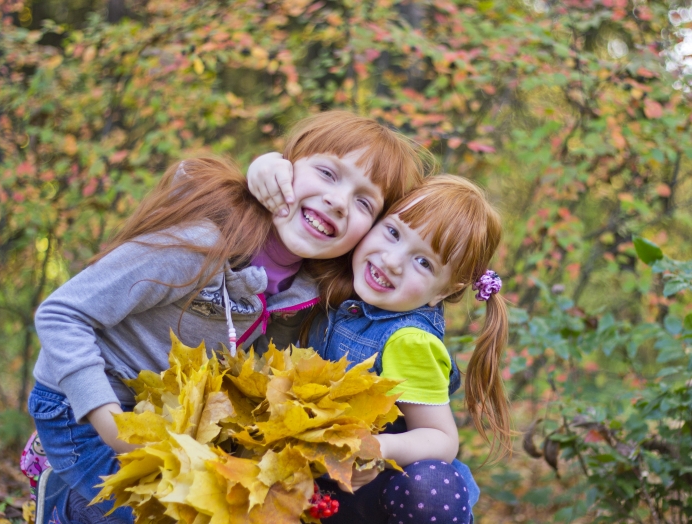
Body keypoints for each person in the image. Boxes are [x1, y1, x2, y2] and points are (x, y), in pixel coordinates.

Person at [26, 110, 429, 524]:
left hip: (170, 419)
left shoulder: (307, 288)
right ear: (283, 171)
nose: (338, 200)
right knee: (154, 516)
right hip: (83, 410)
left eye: (364, 201)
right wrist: (111, 424)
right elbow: (62, 314)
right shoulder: (203, 243)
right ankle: (63, 506)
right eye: (328, 173)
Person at [297, 175, 512, 524]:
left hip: (373, 495)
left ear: (445, 290)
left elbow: (441, 438)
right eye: (393, 233)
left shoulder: (408, 339)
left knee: (432, 484)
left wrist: (381, 449)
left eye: (424, 262)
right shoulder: (341, 282)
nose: (392, 261)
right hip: (313, 476)